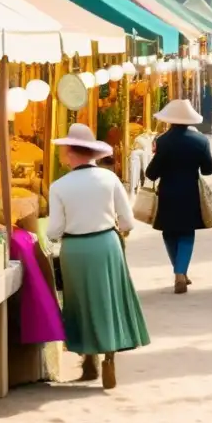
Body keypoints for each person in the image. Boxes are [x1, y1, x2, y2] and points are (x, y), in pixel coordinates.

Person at [47, 124, 149, 389]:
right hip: (106, 244)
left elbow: (54, 230)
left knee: (80, 302)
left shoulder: (59, 186)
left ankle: (89, 360)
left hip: (76, 249)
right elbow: (127, 221)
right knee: (109, 299)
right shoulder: (109, 179)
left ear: (70, 153)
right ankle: (109, 358)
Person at [145, 99, 212, 295]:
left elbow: (151, 173)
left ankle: (179, 272)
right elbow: (209, 169)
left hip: (167, 193)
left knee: (169, 232)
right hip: (190, 193)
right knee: (186, 233)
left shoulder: (162, 141)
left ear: (169, 120)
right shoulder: (201, 141)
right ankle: (180, 272)